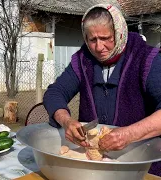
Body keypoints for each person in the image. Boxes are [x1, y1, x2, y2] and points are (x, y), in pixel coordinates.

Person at [43, 4, 161, 176]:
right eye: (92, 40)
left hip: (141, 168)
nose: (99, 47)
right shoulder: (83, 60)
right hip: (93, 168)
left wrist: (128, 134)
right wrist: (66, 121)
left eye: (106, 38)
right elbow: (55, 93)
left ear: (120, 33)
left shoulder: (146, 59)